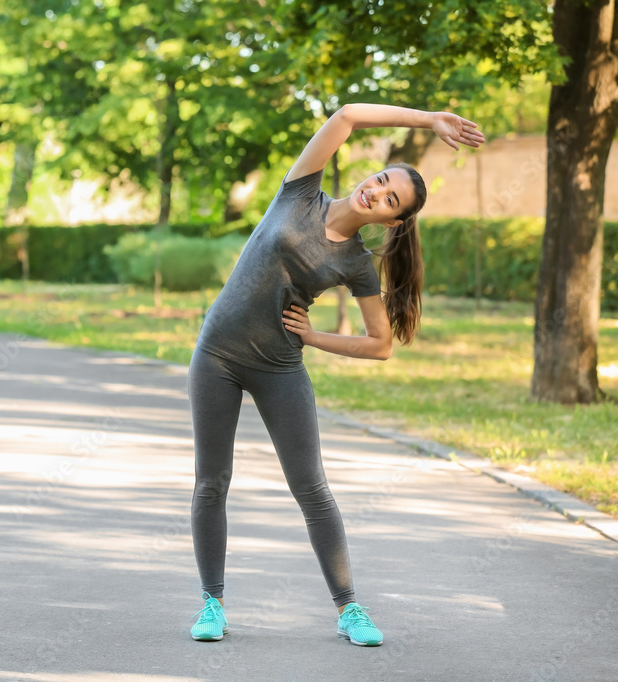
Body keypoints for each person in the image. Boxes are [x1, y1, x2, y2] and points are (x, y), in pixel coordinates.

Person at [186, 103, 485, 645]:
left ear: (392, 220)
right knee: (212, 482)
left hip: (279, 365)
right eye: (381, 180)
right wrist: (428, 119)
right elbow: (347, 115)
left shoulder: (356, 264)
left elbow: (380, 345)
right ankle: (212, 603)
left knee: (313, 490)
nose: (376, 191)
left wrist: (314, 337)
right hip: (217, 356)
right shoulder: (301, 190)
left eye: (390, 199)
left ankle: (349, 609)